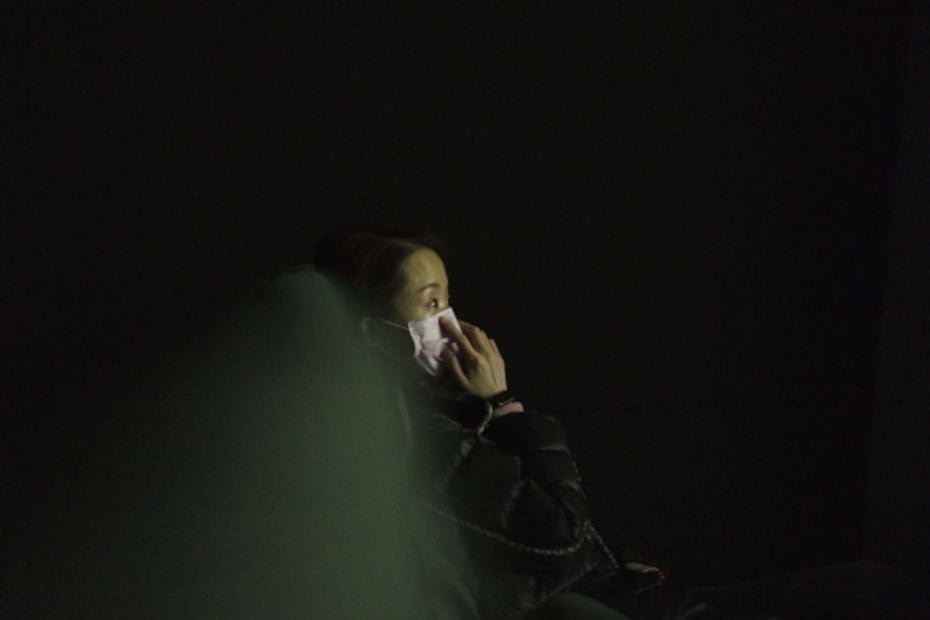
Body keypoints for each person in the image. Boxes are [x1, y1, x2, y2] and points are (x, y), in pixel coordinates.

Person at [310, 223, 928, 620]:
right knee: (873, 593)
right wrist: (502, 406)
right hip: (626, 609)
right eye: (431, 303)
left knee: (871, 586)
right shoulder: (413, 433)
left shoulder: (433, 408)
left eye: (449, 297)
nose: (453, 323)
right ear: (373, 333)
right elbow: (558, 536)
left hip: (639, 593)